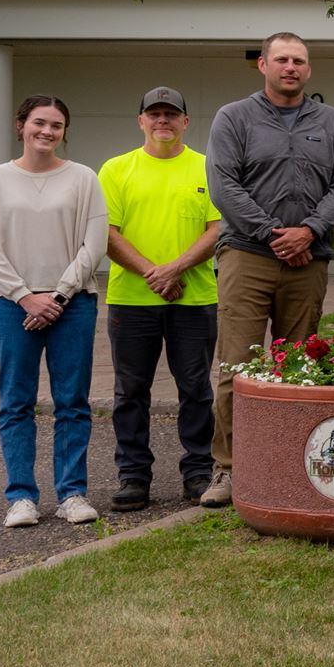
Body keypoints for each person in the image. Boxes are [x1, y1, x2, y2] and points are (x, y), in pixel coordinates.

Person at [204, 33, 334, 508]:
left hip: (308, 259)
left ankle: (289, 461)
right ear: (263, 64)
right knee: (237, 365)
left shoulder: (328, 120)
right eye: (282, 59)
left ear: (308, 71)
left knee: (298, 365)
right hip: (248, 254)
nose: (291, 67)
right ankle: (229, 469)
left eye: (299, 61)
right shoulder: (234, 117)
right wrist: (273, 233)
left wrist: (308, 231)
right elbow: (223, 184)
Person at [0, 94, 108, 528]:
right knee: (16, 402)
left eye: (56, 125)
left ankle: (72, 493)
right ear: (20, 125)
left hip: (73, 304)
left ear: (65, 131)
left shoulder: (83, 178)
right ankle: (21, 498)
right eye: (39, 123)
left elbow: (95, 243)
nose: (47, 131)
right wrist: (25, 296)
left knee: (72, 402)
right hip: (12, 307)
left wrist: (60, 296)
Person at [97, 87, 222, 512]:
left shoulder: (209, 168)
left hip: (194, 297)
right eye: (155, 114)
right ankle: (133, 476)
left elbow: (217, 229)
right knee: (131, 391)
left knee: (196, 389)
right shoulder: (116, 169)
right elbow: (107, 233)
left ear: (186, 122)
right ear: (141, 121)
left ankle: (199, 471)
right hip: (132, 300)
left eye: (172, 114)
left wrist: (174, 270)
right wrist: (155, 273)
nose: (163, 121)